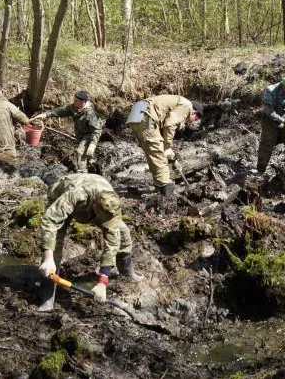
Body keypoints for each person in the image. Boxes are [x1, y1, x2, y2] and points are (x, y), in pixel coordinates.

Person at [36, 173, 143, 310]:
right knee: (55, 244)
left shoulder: (112, 202)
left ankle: (126, 271)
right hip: (63, 194)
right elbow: (50, 221)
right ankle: (47, 295)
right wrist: (48, 257)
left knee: (122, 235)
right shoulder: (76, 195)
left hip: (96, 195)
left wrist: (103, 281)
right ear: (95, 207)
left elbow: (112, 243)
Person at [125, 95, 204, 196]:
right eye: (196, 119)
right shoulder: (187, 106)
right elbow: (170, 124)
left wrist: (167, 149)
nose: (192, 121)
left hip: (137, 113)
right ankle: (166, 191)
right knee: (158, 154)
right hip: (147, 114)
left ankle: (159, 186)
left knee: (152, 154)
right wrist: (167, 147)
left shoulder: (179, 103)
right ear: (195, 113)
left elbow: (163, 127)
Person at [31, 91, 103, 173]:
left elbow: (96, 130)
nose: (74, 102)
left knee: (80, 152)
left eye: (76, 101)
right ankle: (95, 170)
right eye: (74, 100)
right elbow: (60, 111)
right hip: (80, 136)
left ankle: (82, 174)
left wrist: (92, 144)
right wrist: (46, 115)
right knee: (88, 156)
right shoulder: (74, 108)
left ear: (83, 102)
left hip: (89, 136)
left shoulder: (90, 114)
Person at [256, 75, 285, 178]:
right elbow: (268, 110)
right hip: (270, 122)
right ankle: (260, 171)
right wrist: (281, 120)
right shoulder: (271, 91)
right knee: (266, 145)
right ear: (283, 85)